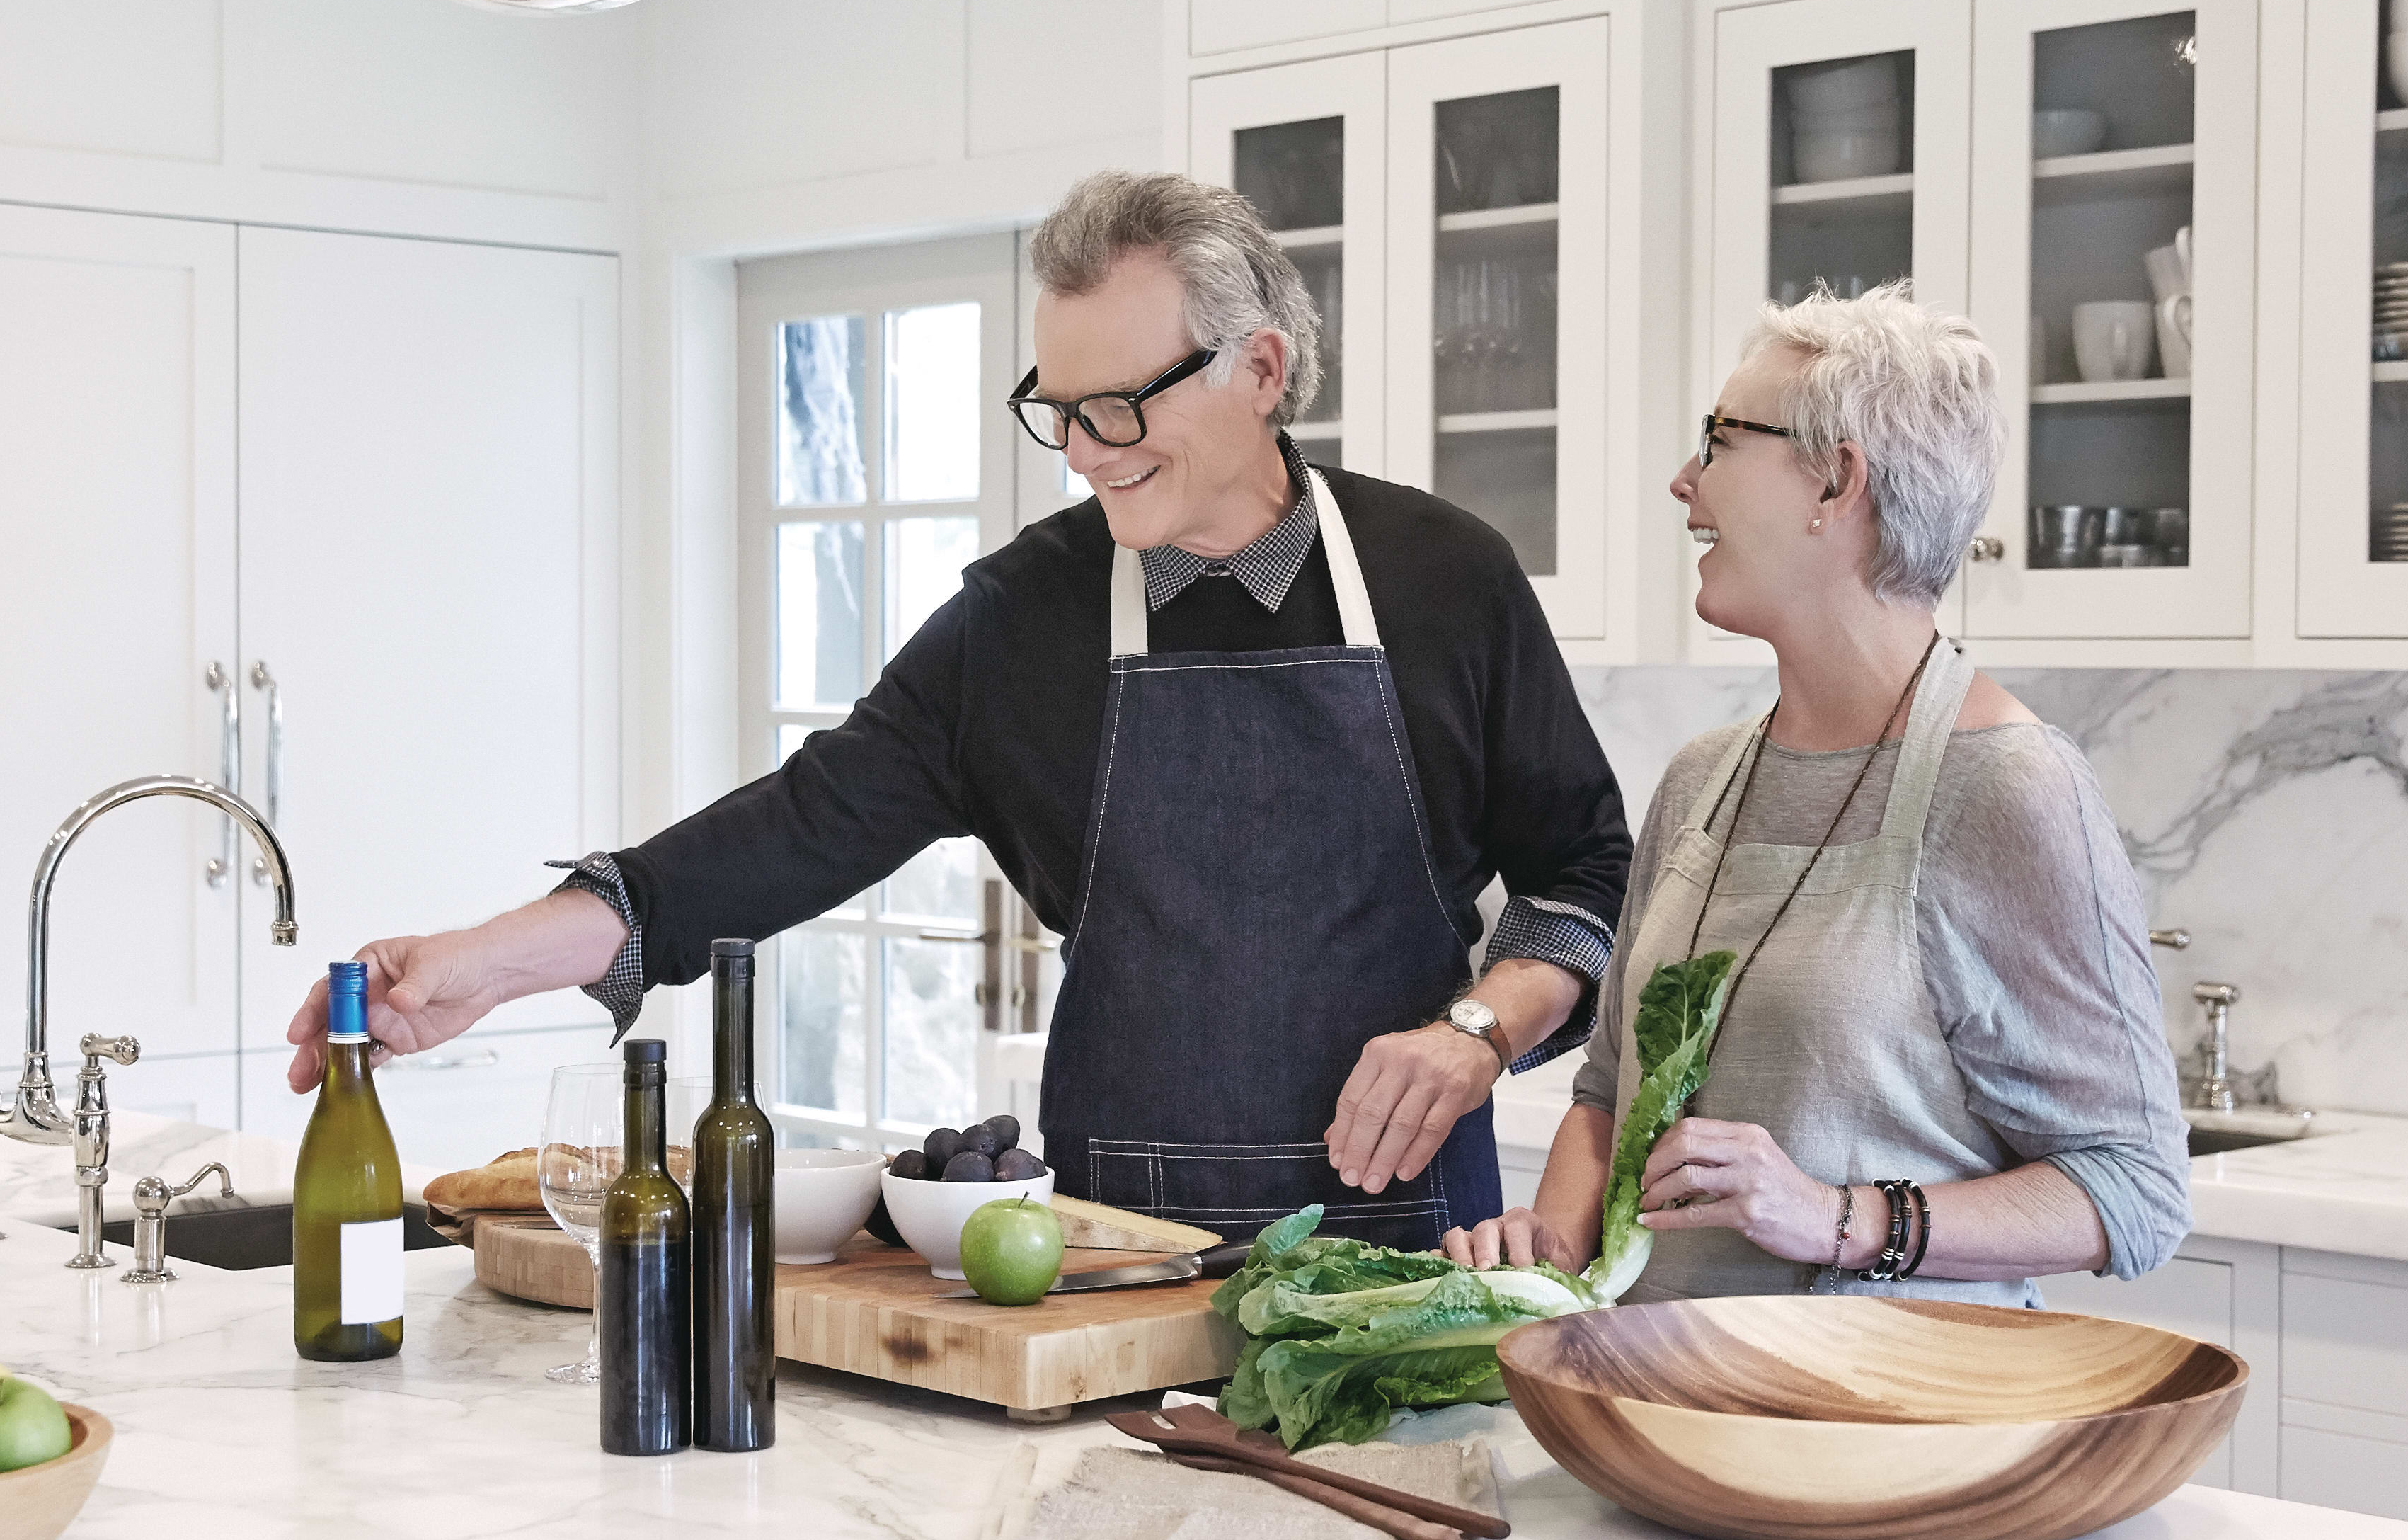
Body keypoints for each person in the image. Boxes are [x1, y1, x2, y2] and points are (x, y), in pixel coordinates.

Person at [288, 170, 1633, 1253]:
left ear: (1262, 370)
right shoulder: (1022, 617)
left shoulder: (1447, 578)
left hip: (1412, 1247)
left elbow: (1584, 878)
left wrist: (1481, 1030)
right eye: (1060, 414)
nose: (1090, 455)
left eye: (1121, 408)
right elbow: (797, 828)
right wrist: (490, 958)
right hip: (1116, 1246)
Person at [1446, 285, 2189, 1300]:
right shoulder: (1702, 781)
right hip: (1665, 1407)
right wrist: (1554, 1247)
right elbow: (1609, 1093)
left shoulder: (2013, 788)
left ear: (1837, 481)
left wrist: (1839, 1218)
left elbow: (2136, 1190)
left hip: (1887, 1432)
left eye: (1718, 441)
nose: (1682, 482)